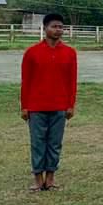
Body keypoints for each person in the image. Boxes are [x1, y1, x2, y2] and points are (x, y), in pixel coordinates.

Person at [20, 13, 77, 192]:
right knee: (38, 143)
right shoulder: (32, 52)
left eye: (60, 27)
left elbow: (72, 81)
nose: (58, 30)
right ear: (45, 28)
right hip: (36, 107)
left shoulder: (69, 53)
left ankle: (50, 179)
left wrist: (70, 104)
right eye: (54, 26)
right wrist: (24, 106)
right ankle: (38, 179)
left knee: (55, 143)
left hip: (60, 107)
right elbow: (26, 81)